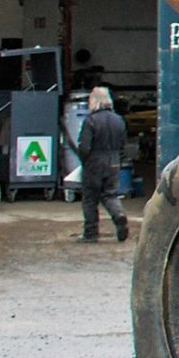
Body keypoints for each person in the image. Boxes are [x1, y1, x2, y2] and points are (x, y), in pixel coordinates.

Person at [78, 87, 129, 243]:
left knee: (90, 198)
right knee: (110, 194)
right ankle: (119, 214)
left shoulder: (91, 121)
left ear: (94, 100)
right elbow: (123, 145)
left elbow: (84, 147)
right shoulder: (119, 120)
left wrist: (84, 161)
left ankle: (91, 233)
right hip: (114, 161)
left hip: (95, 162)